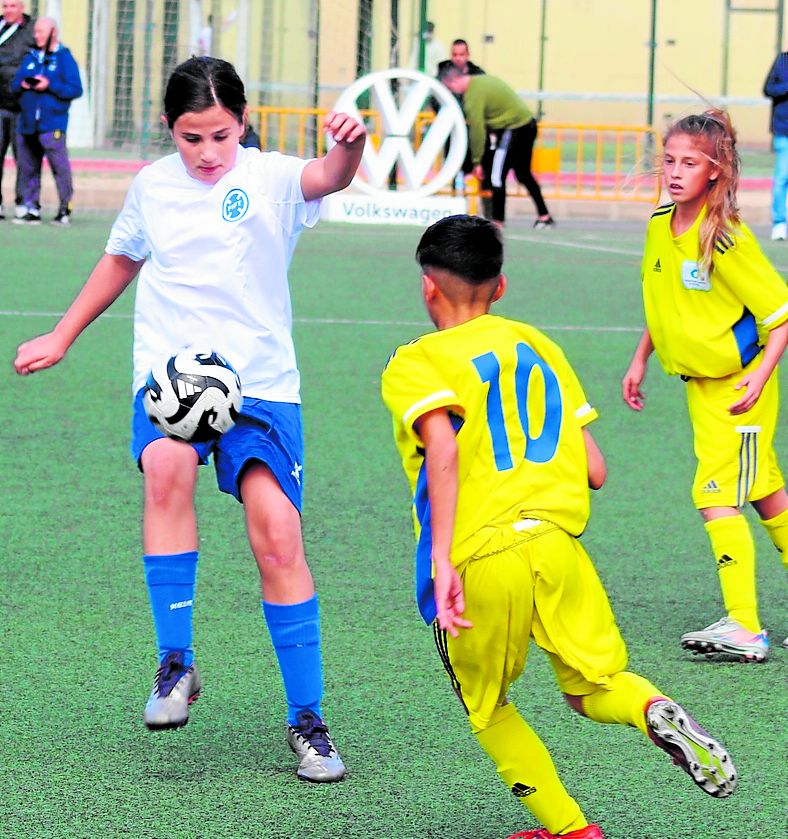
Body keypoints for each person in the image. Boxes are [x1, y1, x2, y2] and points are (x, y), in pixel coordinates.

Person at [14, 56, 366, 783]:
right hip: (171, 380)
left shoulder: (270, 178)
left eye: (221, 135)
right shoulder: (152, 186)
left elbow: (329, 176)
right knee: (166, 470)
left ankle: (308, 719)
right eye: (190, 137)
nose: (207, 152)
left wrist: (351, 144)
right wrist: (62, 334)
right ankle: (175, 662)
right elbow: (120, 260)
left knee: (278, 536)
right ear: (168, 129)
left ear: (243, 122)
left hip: (260, 384)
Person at [381, 214, 737, 839]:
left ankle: (572, 830)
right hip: (556, 544)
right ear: (501, 287)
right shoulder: (537, 345)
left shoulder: (416, 360)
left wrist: (441, 561)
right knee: (592, 688)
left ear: (427, 286)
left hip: (481, 554)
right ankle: (652, 708)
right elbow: (595, 469)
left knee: (487, 707)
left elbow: (441, 447)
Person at [622, 110, 788, 662]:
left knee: (714, 496)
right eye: (670, 161)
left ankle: (745, 627)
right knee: (765, 494)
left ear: (715, 170)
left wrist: (759, 377)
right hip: (700, 389)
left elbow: (780, 314)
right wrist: (640, 359)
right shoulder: (659, 224)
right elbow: (662, 301)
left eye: (689, 163)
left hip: (738, 391)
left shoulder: (724, 238)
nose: (675, 172)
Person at [439, 65, 553, 228]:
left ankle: (498, 221)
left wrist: (477, 161)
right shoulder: (482, 81)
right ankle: (544, 215)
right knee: (523, 174)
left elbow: (477, 130)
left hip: (514, 128)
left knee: (496, 176)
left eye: (450, 88)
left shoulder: (472, 95)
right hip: (527, 125)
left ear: (454, 81)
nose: (452, 92)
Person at [10, 16, 82, 225]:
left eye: (40, 32)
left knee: (59, 168)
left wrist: (49, 85)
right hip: (28, 124)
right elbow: (14, 85)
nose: (36, 36)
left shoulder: (64, 57)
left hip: (52, 124)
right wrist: (23, 85)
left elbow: (75, 89)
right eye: (35, 32)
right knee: (28, 167)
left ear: (53, 32)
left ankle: (64, 209)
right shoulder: (30, 57)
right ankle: (32, 208)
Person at [0, 0, 34, 220]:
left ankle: (23, 202)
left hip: (23, 107)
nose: (8, 10)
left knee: (24, 159)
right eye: (5, 6)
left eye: (13, 6)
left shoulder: (32, 31)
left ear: (21, 7)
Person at [435, 39, 485, 188]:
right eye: (455, 54)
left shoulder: (477, 74)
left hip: (471, 126)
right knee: (452, 161)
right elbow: (435, 97)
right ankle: (455, 190)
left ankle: (474, 193)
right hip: (451, 127)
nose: (458, 58)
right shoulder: (443, 74)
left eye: (461, 54)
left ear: (467, 55)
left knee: (472, 164)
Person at [763, 49, 788, 240]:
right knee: (782, 177)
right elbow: (768, 89)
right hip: (784, 130)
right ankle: (779, 223)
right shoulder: (782, 61)